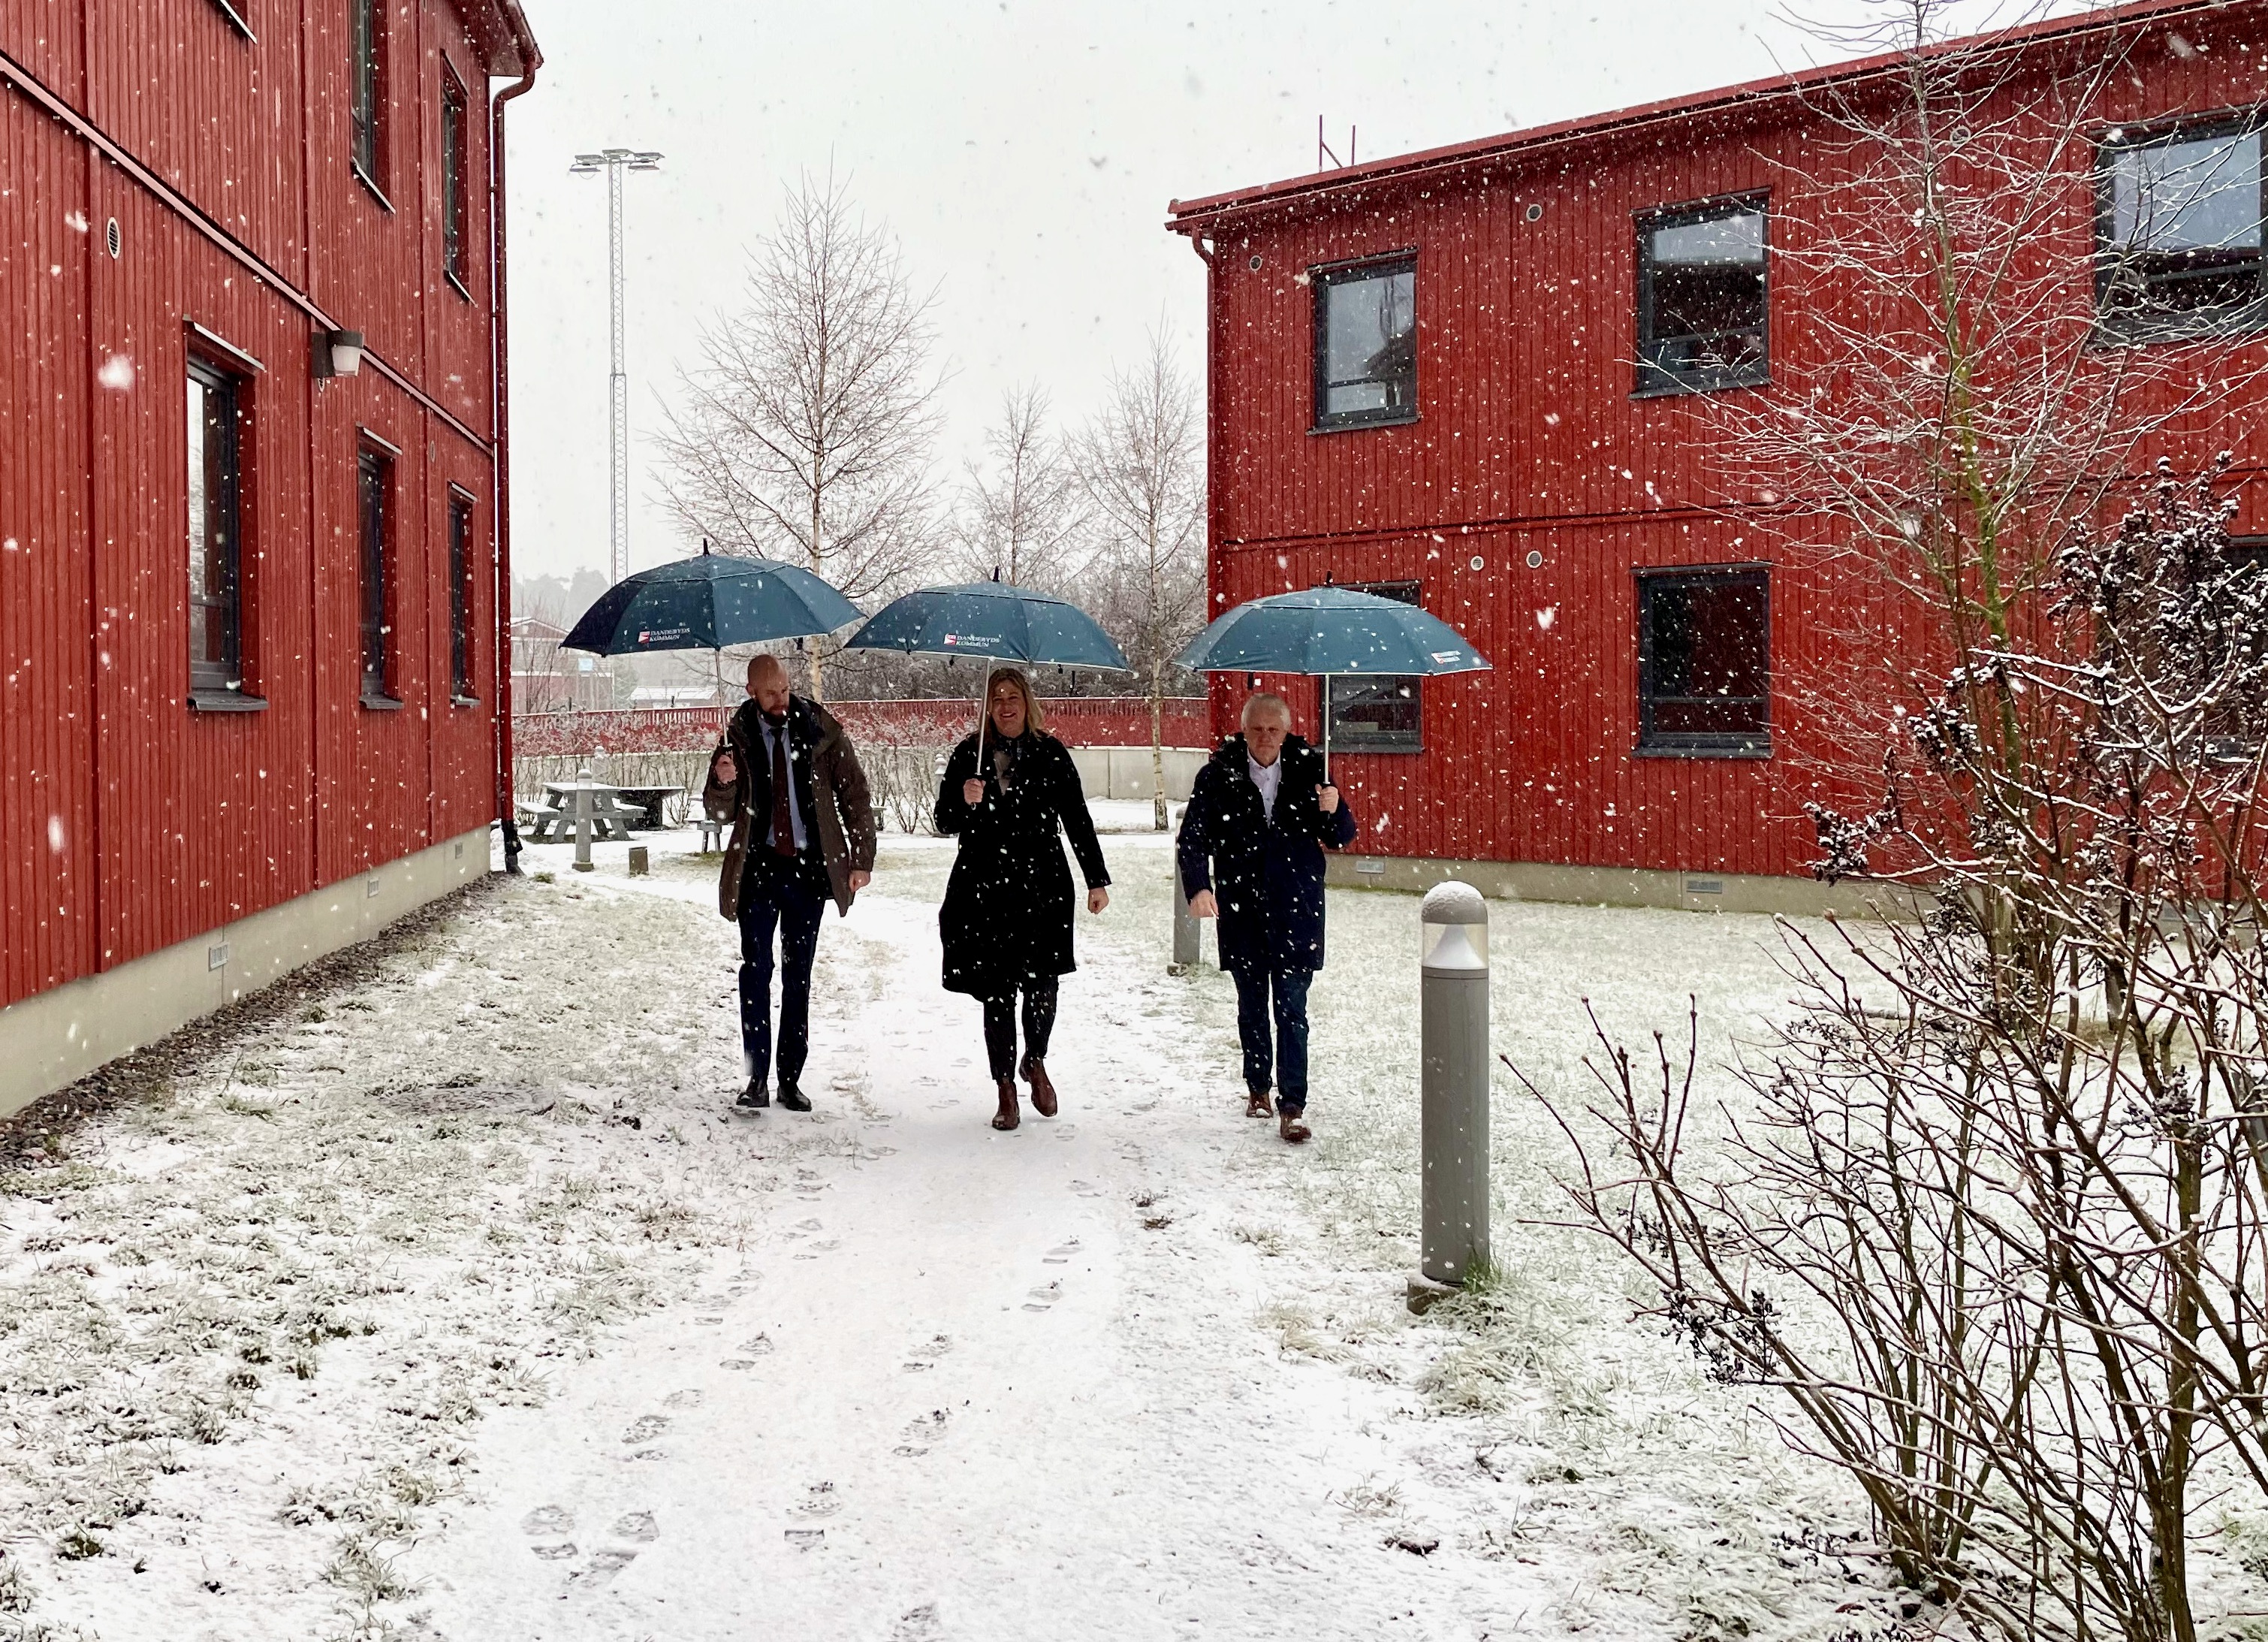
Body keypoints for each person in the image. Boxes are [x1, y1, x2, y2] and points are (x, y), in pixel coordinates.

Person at [933, 668, 1111, 1132]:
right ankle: (1004, 1088)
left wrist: (1096, 880)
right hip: (984, 886)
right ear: (987, 707)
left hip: (1043, 884)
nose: (1005, 705)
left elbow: (1077, 817)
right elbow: (943, 820)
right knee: (997, 990)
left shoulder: (1051, 753)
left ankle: (1034, 1060)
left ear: (1027, 703)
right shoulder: (969, 754)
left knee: (1043, 984)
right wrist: (964, 798)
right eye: (997, 698)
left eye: (1013, 696)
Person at [1176, 692, 1358, 1143]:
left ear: (1286, 731)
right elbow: (1193, 837)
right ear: (1244, 731)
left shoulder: (1311, 770)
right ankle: (1258, 1086)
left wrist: (1334, 807)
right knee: (1253, 1004)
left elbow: (1340, 836)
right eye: (1256, 729)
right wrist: (1199, 887)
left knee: (1292, 1008)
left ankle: (1292, 1105)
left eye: (1273, 729)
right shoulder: (1218, 774)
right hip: (1242, 908)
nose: (1264, 737)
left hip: (1297, 907)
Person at [703, 653, 876, 1112]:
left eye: (784, 689)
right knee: (756, 971)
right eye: (770, 693)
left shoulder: (821, 730)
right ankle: (756, 1077)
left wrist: (862, 859)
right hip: (758, 871)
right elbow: (718, 812)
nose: (781, 699)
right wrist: (724, 783)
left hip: (809, 871)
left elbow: (855, 794)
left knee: (799, 976)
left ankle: (790, 1079)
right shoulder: (735, 739)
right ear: (751, 693)